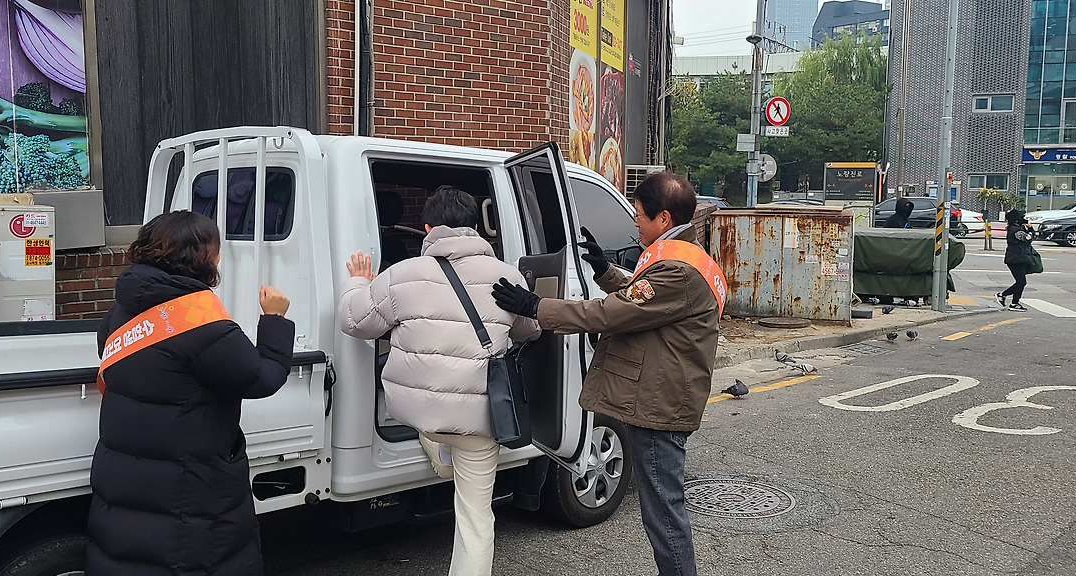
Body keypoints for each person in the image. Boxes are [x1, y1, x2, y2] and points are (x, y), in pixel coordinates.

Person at [491, 171, 724, 576]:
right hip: (662, 395)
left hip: (659, 404)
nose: (635, 221)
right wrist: (603, 270)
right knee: (661, 510)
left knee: (663, 514)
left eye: (640, 214)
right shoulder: (684, 256)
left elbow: (613, 312)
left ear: (664, 218)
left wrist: (536, 307)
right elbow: (640, 295)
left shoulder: (677, 270)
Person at [337, 186, 540, 576]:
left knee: (438, 430)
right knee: (475, 521)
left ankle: (439, 448)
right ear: (476, 227)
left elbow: (355, 322)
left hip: (421, 414)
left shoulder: (402, 275)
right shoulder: (507, 276)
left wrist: (358, 282)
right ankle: (448, 455)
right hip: (481, 419)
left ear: (428, 228)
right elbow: (529, 331)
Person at [87, 210, 294, 576]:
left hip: (125, 476)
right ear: (203, 257)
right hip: (188, 487)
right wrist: (274, 320)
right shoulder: (200, 323)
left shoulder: (123, 308)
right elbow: (261, 377)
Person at [997, 208, 1035, 311]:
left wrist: (1028, 228)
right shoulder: (1016, 230)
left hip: (1019, 258)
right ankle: (1002, 295)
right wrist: (1030, 229)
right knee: (1021, 282)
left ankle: (1015, 303)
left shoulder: (1017, 228)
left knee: (1021, 282)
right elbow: (1028, 238)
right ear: (1016, 220)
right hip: (1016, 259)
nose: (1024, 219)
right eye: (1021, 218)